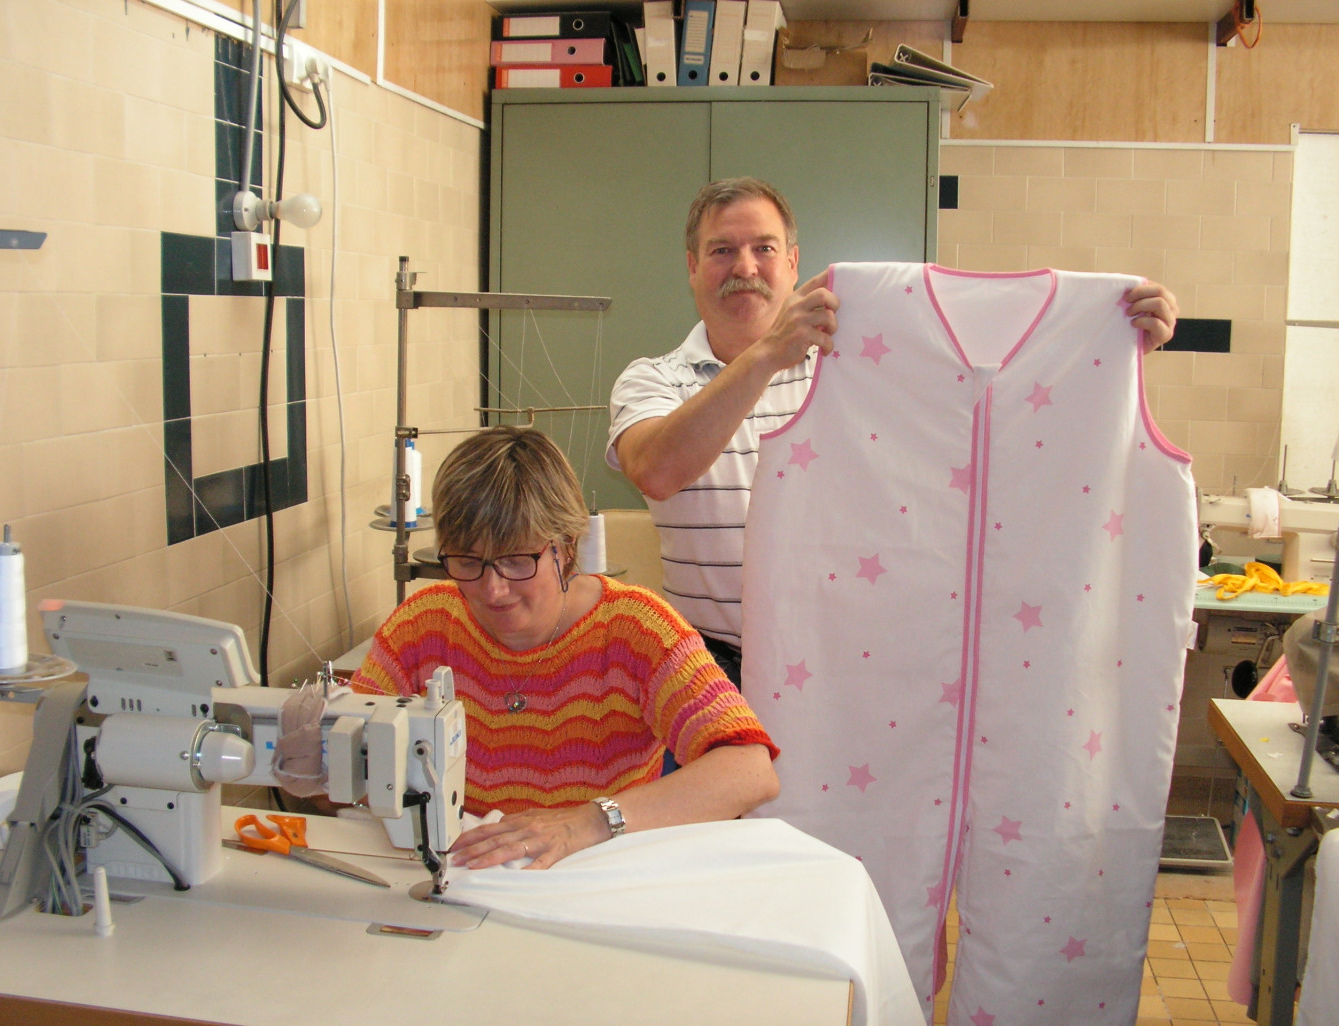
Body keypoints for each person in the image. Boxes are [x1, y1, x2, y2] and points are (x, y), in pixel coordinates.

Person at [607, 176, 1181, 684]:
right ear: (691, 266)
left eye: (764, 248)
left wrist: (1107, 357)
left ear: (793, 263)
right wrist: (764, 357)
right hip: (705, 674)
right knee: (712, 810)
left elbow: (995, 423)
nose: (745, 267)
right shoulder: (652, 379)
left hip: (841, 671)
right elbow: (656, 470)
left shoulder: (855, 366)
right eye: (722, 250)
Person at [349, 425, 779, 870]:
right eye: (468, 561)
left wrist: (589, 821)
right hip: (470, 872)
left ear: (566, 550)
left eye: (518, 560)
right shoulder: (426, 624)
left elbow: (749, 770)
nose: (493, 590)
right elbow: (348, 752)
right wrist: (309, 760)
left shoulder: (636, 629)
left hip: (597, 876)